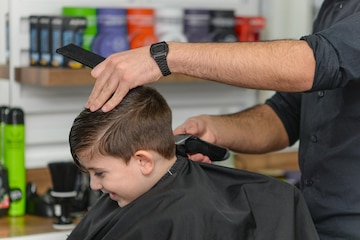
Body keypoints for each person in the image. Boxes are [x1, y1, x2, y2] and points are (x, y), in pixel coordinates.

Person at [84, 1, 360, 239]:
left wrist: (166, 57)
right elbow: (287, 114)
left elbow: (315, 62)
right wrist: (217, 129)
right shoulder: (334, 7)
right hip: (315, 222)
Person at [67, 86, 319, 240]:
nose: (94, 186)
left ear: (143, 161)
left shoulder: (184, 217)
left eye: (99, 173)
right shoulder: (126, 200)